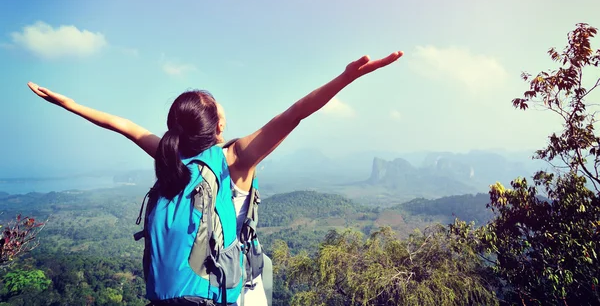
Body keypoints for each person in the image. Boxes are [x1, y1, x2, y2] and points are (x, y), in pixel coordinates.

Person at [28, 51, 403, 305]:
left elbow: (122, 125)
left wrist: (67, 104)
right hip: (225, 294)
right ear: (219, 127)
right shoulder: (234, 158)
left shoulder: (168, 154)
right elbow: (292, 115)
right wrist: (344, 78)